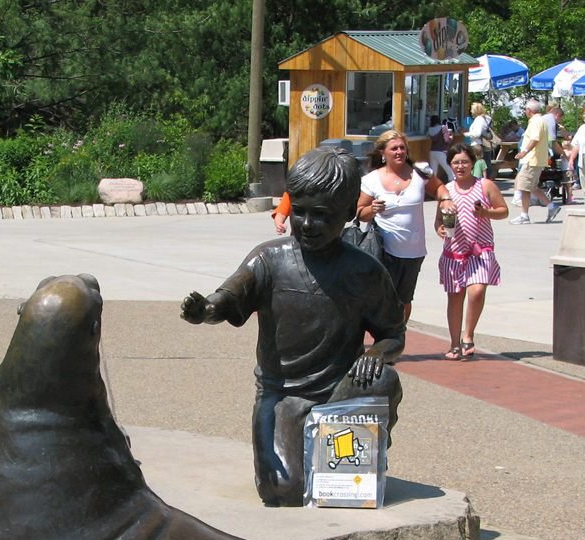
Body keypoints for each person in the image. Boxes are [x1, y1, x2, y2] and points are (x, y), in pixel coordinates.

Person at [181, 148, 405, 507]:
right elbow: (226, 297)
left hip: (337, 395)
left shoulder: (366, 272)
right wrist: (206, 309)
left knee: (384, 381)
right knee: (282, 490)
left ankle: (364, 455)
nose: (307, 224)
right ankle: (308, 453)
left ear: (348, 214)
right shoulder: (269, 259)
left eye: (321, 215)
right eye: (298, 211)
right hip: (283, 395)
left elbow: (394, 335)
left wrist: (377, 352)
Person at [356, 129, 455, 322]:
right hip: (383, 250)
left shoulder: (420, 171)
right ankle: (381, 339)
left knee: (404, 299)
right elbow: (359, 213)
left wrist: (445, 199)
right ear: (383, 153)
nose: (399, 152)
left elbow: (438, 187)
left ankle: (398, 336)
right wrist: (372, 209)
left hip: (413, 251)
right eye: (394, 148)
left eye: (402, 147)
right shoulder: (370, 180)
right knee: (382, 298)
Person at [435, 143, 508, 361]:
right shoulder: (446, 191)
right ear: (450, 164)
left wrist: (486, 212)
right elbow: (439, 221)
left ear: (473, 163)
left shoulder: (485, 185)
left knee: (476, 291)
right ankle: (454, 343)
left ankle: (469, 334)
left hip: (480, 249)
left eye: (465, 162)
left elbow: (503, 211)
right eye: (456, 162)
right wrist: (439, 228)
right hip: (454, 251)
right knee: (455, 297)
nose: (460, 166)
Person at [510, 99, 560, 224]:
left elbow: (535, 139)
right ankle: (551, 206)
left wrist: (524, 151)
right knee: (531, 186)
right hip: (535, 159)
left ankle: (524, 215)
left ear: (529, 110)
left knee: (524, 186)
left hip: (531, 159)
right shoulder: (539, 120)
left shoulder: (536, 122)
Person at [465, 103, 495, 177]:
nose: (471, 111)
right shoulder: (485, 119)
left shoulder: (479, 119)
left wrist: (467, 134)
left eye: (472, 110)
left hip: (477, 144)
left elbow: (477, 133)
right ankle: (486, 180)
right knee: (485, 164)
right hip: (484, 144)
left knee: (478, 165)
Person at [428, 114, 453, 183]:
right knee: (449, 171)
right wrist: (451, 135)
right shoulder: (443, 128)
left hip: (432, 151)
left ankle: (432, 188)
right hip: (441, 151)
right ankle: (452, 185)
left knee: (433, 172)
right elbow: (447, 140)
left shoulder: (430, 129)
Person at [568, 108, 585, 192]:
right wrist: (571, 159)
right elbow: (576, 145)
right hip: (582, 159)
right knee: (583, 181)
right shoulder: (582, 128)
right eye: (583, 114)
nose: (584, 116)